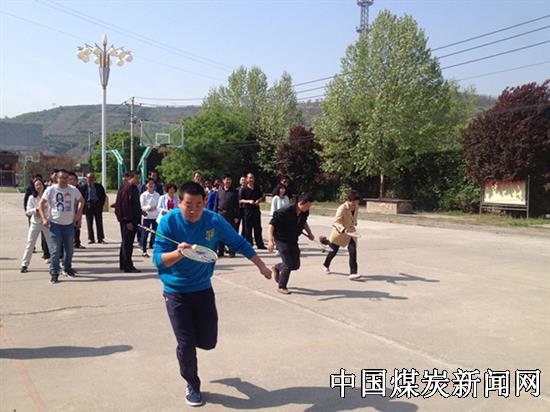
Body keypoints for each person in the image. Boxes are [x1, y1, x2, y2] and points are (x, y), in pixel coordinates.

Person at [153, 182, 272, 407]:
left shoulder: (213, 221)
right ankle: (192, 384)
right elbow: (158, 261)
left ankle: (191, 349)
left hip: (203, 290)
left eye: (198, 204)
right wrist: (179, 253)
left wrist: (261, 266)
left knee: (208, 342)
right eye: (188, 205)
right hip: (176, 293)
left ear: (205, 202)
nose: (193, 210)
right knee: (186, 344)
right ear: (179, 203)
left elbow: (239, 243)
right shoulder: (169, 222)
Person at [39, 169, 85, 284]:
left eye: (66, 178)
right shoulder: (51, 190)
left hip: (69, 224)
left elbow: (81, 201)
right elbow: (41, 204)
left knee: (69, 249)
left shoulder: (73, 190)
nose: (63, 180)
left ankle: (67, 268)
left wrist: (78, 215)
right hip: (55, 224)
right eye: (61, 178)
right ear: (56, 178)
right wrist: (44, 218)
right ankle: (54, 273)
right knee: (55, 250)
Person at [268, 194, 315, 294]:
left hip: (293, 239)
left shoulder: (304, 211)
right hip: (281, 239)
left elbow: (304, 222)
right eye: (307, 206)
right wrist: (270, 241)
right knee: (288, 264)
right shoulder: (285, 211)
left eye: (310, 206)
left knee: (295, 265)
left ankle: (277, 267)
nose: (308, 208)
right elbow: (272, 225)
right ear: (301, 203)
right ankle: (282, 286)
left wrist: (309, 233)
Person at [322, 191, 361, 280]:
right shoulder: (342, 208)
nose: (356, 204)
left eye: (357, 202)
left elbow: (353, 218)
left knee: (353, 252)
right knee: (333, 251)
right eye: (355, 202)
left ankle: (353, 273)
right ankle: (326, 265)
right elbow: (336, 222)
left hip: (351, 233)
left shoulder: (356, 207)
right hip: (340, 233)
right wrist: (343, 229)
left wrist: (354, 223)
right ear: (350, 200)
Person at [20, 178, 52, 273]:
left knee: (51, 244)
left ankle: (55, 264)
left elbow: (51, 209)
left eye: (40, 184)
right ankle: (24, 265)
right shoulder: (32, 198)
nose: (39, 186)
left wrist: (47, 216)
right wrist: (36, 210)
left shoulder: (48, 196)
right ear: (34, 187)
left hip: (46, 222)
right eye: (36, 185)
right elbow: (28, 212)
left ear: (43, 185)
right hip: (35, 223)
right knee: (30, 244)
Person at [115, 171, 142, 273]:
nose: (138, 180)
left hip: (133, 219)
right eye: (137, 178)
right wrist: (127, 221)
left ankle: (123, 263)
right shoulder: (127, 188)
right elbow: (124, 206)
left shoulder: (134, 188)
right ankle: (128, 266)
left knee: (126, 242)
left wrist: (140, 211)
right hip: (128, 221)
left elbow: (134, 204)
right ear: (131, 178)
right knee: (127, 243)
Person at [215, 174, 240, 258]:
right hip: (220, 214)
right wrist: (214, 214)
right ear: (223, 180)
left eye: (230, 180)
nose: (228, 181)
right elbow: (216, 203)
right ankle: (220, 251)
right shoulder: (219, 190)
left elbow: (237, 205)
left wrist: (237, 216)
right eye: (226, 179)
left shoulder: (234, 191)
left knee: (231, 234)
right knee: (220, 233)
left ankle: (232, 251)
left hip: (230, 215)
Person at [239, 173, 266, 249]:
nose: (251, 179)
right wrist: (249, 201)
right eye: (249, 178)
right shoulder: (243, 189)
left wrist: (259, 200)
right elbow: (240, 200)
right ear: (247, 179)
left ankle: (260, 244)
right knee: (248, 228)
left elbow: (262, 197)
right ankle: (249, 244)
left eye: (252, 178)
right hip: (247, 211)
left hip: (256, 210)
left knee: (258, 228)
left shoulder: (257, 188)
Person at [81, 172, 106, 244]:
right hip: (88, 205)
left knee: (99, 222)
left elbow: (103, 196)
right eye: (88, 178)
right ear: (86, 179)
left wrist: (101, 205)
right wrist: (84, 206)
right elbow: (82, 197)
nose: (90, 179)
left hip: (97, 205)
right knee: (89, 223)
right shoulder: (83, 187)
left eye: (92, 178)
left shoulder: (99, 186)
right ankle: (91, 239)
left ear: (94, 179)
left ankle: (100, 238)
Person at [140, 178, 160, 258]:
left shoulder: (157, 195)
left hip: (155, 217)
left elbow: (159, 205)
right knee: (145, 234)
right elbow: (141, 206)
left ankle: (155, 249)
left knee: (155, 234)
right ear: (146, 185)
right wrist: (149, 208)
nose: (151, 185)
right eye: (149, 184)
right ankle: (144, 250)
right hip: (147, 217)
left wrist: (156, 208)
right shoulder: (144, 195)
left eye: (152, 184)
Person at [68, 172, 86, 249]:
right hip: (66, 213)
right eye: (70, 179)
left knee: (77, 227)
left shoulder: (79, 190)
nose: (72, 181)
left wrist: (79, 216)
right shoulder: (64, 190)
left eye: (74, 179)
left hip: (76, 212)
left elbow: (81, 202)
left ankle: (76, 242)